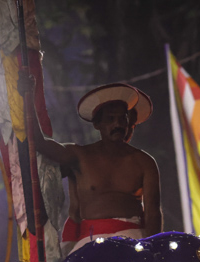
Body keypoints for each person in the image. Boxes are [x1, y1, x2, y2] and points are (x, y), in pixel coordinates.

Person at [23, 80, 161, 251]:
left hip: (134, 240)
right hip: (90, 243)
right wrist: (27, 99)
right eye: (110, 119)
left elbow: (153, 212)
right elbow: (40, 143)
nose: (117, 124)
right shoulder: (80, 155)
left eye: (122, 118)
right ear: (98, 125)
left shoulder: (145, 161)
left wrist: (153, 249)